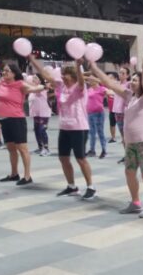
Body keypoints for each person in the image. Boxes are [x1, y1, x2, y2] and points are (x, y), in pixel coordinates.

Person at [91, 56, 143, 217]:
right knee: (129, 172)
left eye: (135, 80)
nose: (132, 82)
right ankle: (135, 203)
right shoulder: (130, 96)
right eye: (132, 80)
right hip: (131, 142)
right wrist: (94, 67)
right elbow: (110, 83)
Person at [30, 56, 96, 200]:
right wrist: (32, 59)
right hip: (64, 127)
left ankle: (90, 186)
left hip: (79, 127)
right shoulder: (61, 86)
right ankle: (71, 186)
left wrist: (78, 66)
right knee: (63, 158)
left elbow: (80, 79)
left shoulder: (80, 88)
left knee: (81, 158)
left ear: (72, 76)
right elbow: (45, 74)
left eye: (65, 75)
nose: (62, 78)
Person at [0, 63, 43, 185]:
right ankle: (14, 174)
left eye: (7, 71)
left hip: (16, 120)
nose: (4, 73)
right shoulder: (2, 83)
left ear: (14, 73)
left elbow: (35, 88)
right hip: (4, 119)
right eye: (3, 71)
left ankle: (27, 176)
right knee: (11, 148)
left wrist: (42, 85)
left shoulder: (20, 84)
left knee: (22, 148)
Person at [27, 76, 51, 156]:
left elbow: (40, 87)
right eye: (33, 78)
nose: (33, 79)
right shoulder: (32, 90)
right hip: (36, 114)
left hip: (44, 113)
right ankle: (40, 148)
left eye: (36, 78)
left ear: (40, 80)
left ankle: (46, 149)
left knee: (42, 130)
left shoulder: (42, 88)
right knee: (37, 130)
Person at [85, 77, 108, 159]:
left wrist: (100, 81)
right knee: (91, 133)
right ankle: (92, 150)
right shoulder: (89, 89)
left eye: (91, 80)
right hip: (90, 113)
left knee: (100, 132)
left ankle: (104, 150)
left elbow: (108, 92)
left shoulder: (101, 89)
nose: (90, 81)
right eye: (89, 80)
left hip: (99, 113)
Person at [113, 67, 130, 163]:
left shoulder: (128, 84)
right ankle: (127, 154)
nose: (121, 74)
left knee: (127, 136)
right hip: (117, 112)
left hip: (125, 113)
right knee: (123, 136)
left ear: (127, 75)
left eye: (123, 73)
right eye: (120, 73)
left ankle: (130, 155)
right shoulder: (116, 84)